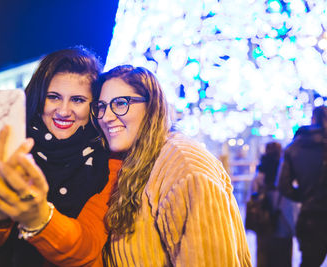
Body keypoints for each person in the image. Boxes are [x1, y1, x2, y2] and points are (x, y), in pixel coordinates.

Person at [0, 47, 122, 267]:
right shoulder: (0, 145)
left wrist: (39, 216)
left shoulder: (107, 160)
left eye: (78, 100)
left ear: (93, 106)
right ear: (38, 96)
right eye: (53, 97)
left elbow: (87, 249)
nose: (63, 111)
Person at [90, 65, 252, 266]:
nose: (106, 116)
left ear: (152, 106)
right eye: (102, 106)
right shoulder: (138, 161)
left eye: (121, 103)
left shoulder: (184, 166)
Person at [278, 105, 327, 267]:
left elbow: (283, 185)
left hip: (310, 217)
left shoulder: (294, 147)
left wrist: (304, 196)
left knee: (309, 262)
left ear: (313, 120)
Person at [250, 142, 295, 267]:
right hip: (283, 221)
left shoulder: (260, 172)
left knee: (264, 256)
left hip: (264, 221)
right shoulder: (285, 171)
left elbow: (252, 196)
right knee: (283, 257)